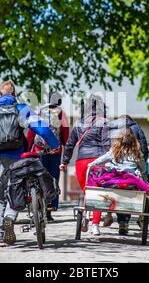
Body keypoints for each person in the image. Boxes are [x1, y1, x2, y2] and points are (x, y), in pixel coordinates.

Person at [0, 80, 59, 247]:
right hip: (17, 158)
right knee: (16, 191)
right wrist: (55, 144)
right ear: (14, 94)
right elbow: (42, 129)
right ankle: (10, 218)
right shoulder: (22, 109)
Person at [60, 94, 111, 236]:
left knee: (87, 191)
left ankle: (85, 215)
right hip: (97, 161)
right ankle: (95, 225)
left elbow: (70, 144)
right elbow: (107, 144)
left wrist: (64, 161)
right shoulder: (104, 122)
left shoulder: (79, 123)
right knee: (98, 193)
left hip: (81, 161)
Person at [87, 127, 148, 235]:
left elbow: (104, 158)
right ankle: (124, 223)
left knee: (98, 187)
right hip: (130, 184)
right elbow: (143, 169)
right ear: (133, 140)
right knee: (131, 192)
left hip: (114, 182)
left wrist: (92, 164)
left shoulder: (115, 151)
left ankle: (95, 225)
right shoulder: (137, 153)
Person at [26, 91, 69, 221]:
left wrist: (28, 148)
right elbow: (65, 133)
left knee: (39, 177)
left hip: (40, 150)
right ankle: (50, 208)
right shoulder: (61, 113)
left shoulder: (39, 112)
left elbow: (31, 132)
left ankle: (38, 205)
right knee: (53, 178)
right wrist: (64, 145)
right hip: (55, 151)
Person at [102, 114, 149, 227]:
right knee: (130, 194)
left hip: (116, 170)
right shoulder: (137, 129)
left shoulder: (113, 127)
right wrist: (142, 159)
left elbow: (106, 146)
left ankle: (119, 220)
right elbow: (143, 147)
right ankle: (124, 222)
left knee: (116, 191)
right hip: (132, 171)